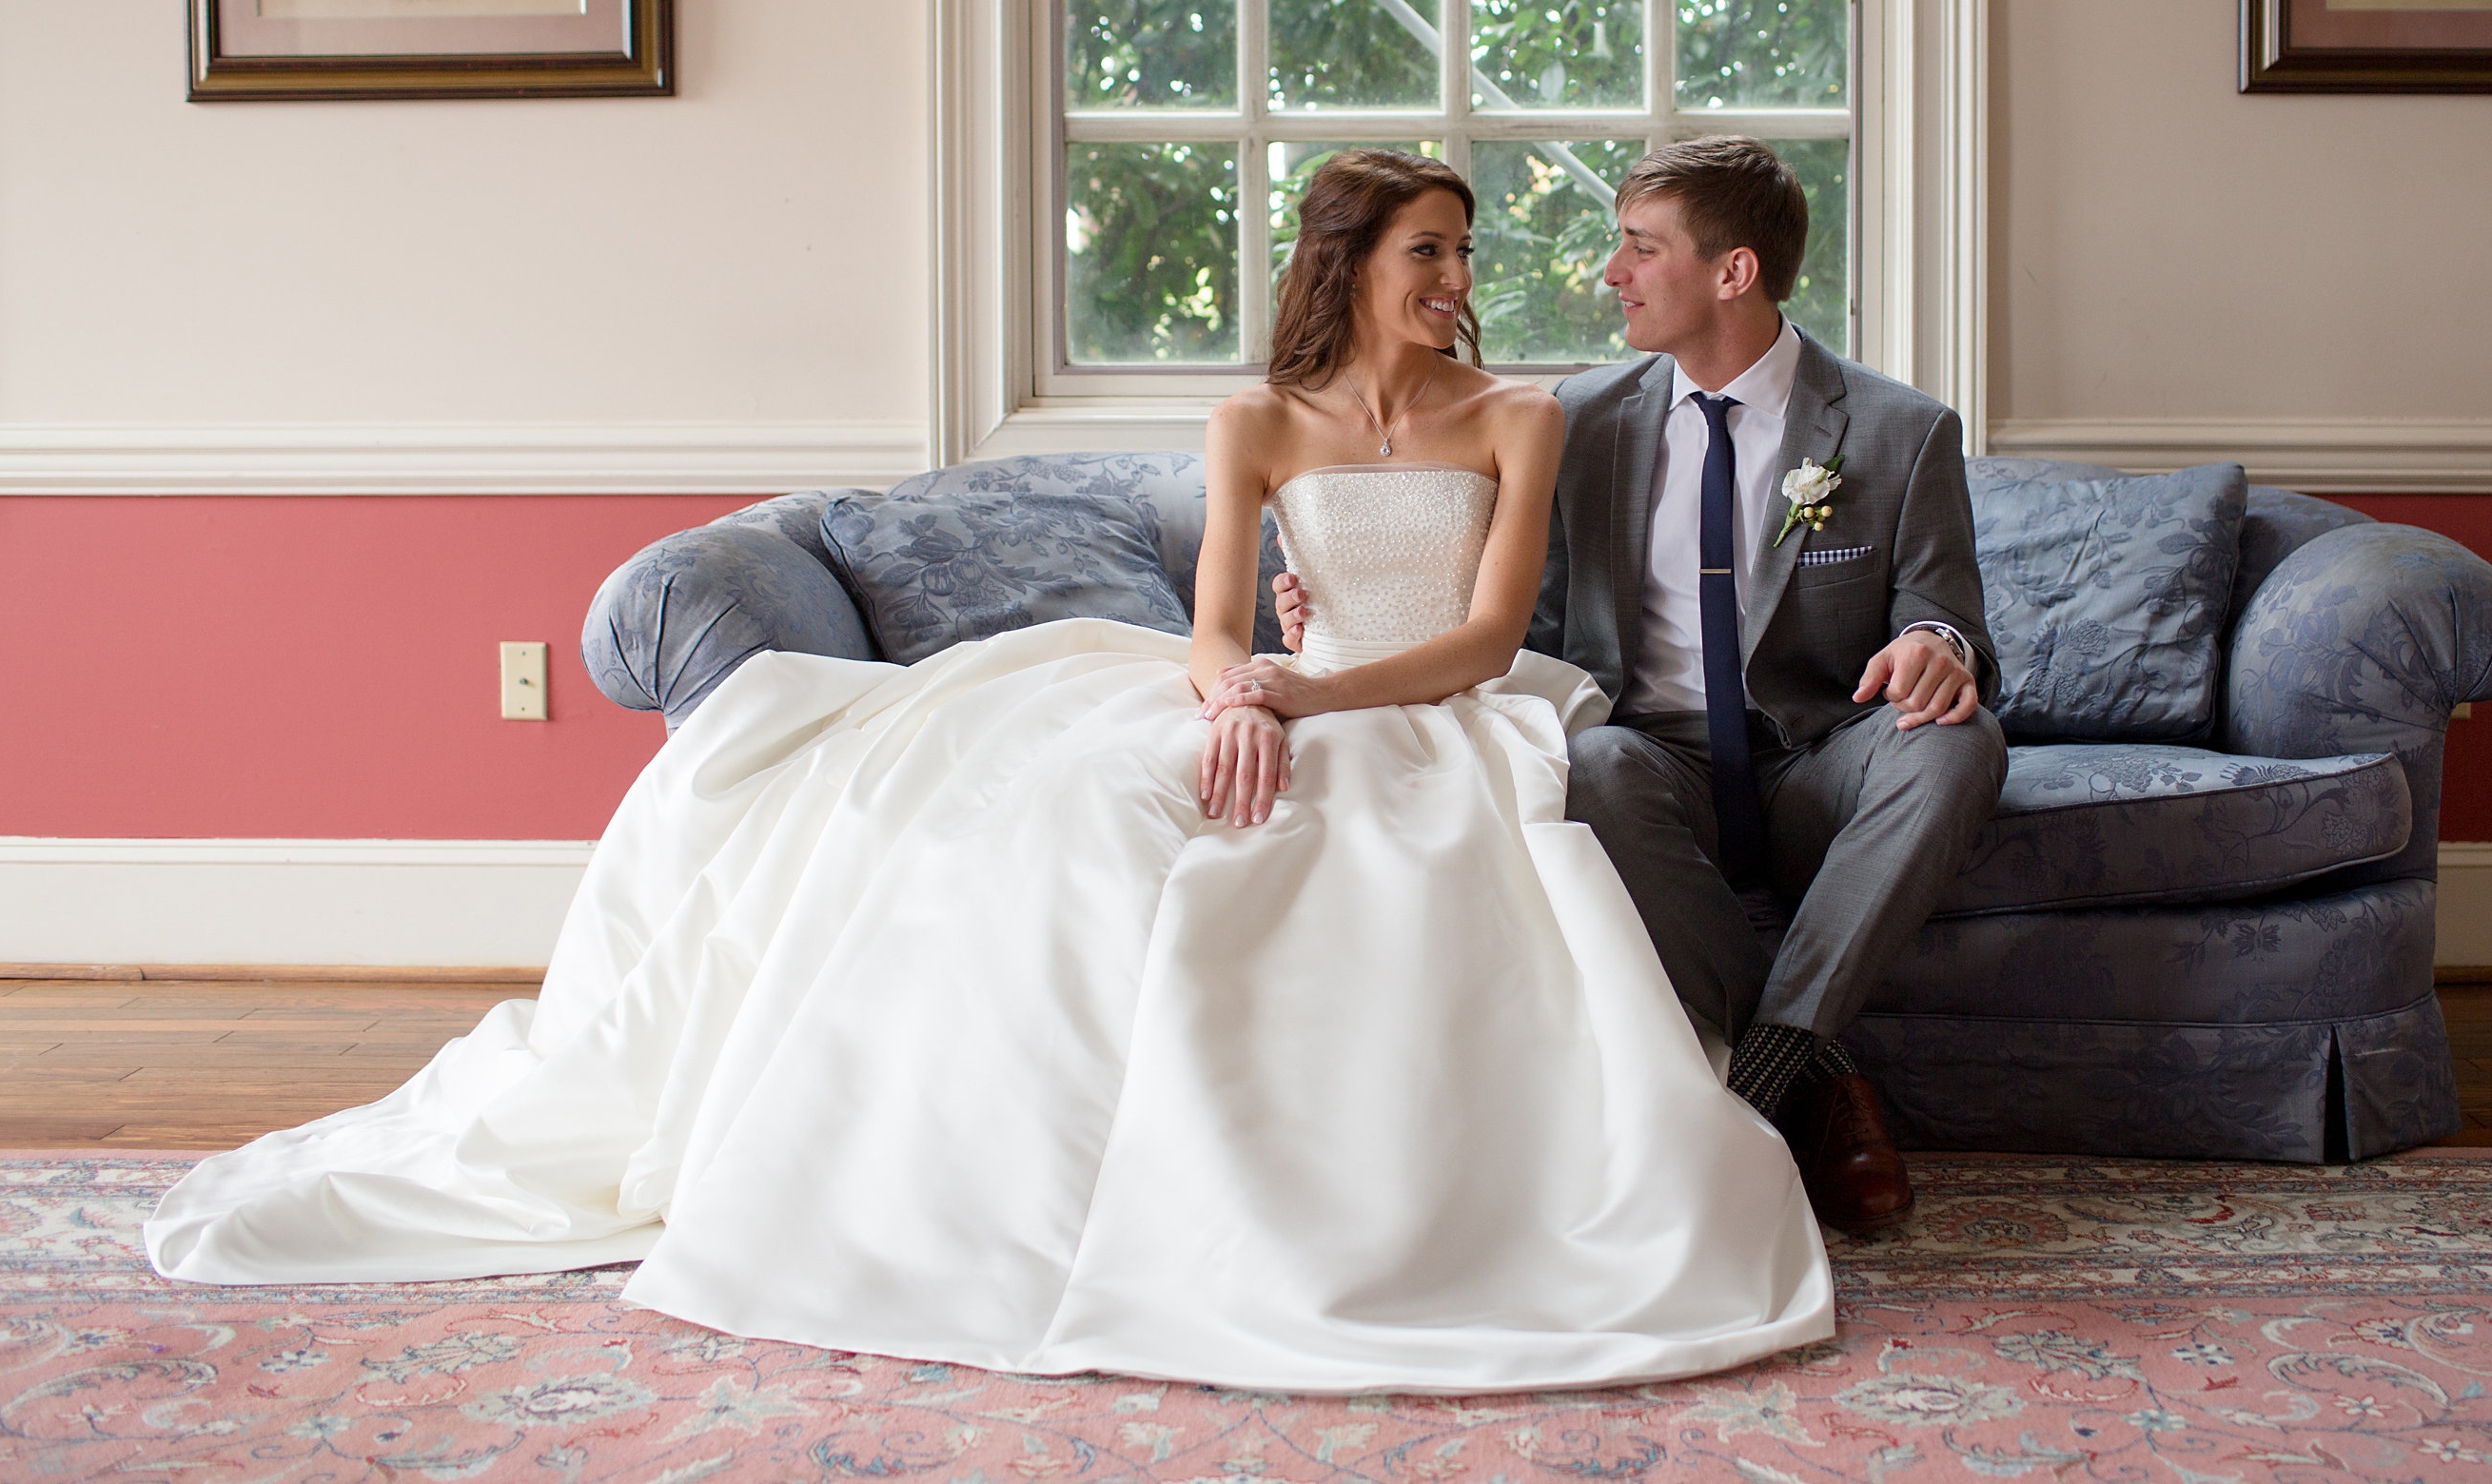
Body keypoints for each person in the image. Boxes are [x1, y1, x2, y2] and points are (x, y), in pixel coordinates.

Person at [145, 149, 1831, 1394]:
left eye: (1462, 248)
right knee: (1067, 810)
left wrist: (1310, 693)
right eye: (1428, 249)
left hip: (1435, 704)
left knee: (1359, 855)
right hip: (1281, 685)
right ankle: (974, 1191)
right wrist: (1243, 692)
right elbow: (1211, 625)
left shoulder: (1519, 414)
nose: (1458, 275)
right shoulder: (1256, 421)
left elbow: (1481, 637)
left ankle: (1307, 1218)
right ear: (1353, 261)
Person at [1281, 139, 2006, 1237]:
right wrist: (1325, 600)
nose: (1612, 273)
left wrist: (1937, 644)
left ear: (1733, 272)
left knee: (1960, 741)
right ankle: (1818, 1081)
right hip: (1649, 755)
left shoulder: (1900, 431)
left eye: (1639, 248)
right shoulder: (1579, 419)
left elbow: (1949, 614)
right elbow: (1486, 603)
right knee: (1598, 763)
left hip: (1817, 757)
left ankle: (1772, 1060)